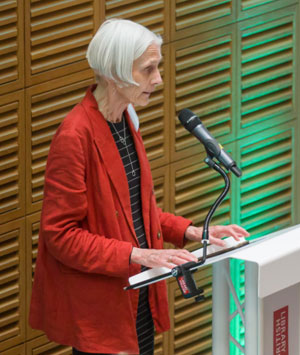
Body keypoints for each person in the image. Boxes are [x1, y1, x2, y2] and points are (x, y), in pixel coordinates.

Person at [29, 19, 249, 354]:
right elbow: (60, 236)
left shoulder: (126, 119)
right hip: (103, 305)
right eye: (148, 69)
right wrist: (138, 254)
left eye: (157, 67)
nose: (158, 79)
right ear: (115, 73)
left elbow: (132, 210)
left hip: (139, 293)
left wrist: (192, 231)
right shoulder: (74, 136)